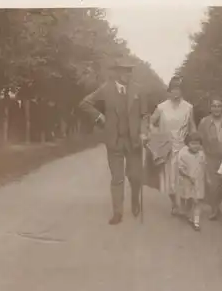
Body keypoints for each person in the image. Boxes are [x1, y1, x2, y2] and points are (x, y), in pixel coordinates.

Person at [78, 58, 149, 225]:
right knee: (117, 178)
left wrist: (144, 132)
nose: (127, 74)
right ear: (116, 72)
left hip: (134, 141)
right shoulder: (106, 89)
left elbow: (145, 115)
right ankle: (117, 212)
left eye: (130, 70)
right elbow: (85, 103)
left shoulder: (139, 90)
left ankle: (135, 200)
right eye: (124, 70)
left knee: (135, 176)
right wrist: (99, 117)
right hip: (114, 140)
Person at [149, 76, 196, 216]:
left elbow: (192, 125)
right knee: (169, 179)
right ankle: (174, 205)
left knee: (183, 177)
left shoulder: (188, 107)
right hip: (166, 148)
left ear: (182, 91)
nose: (176, 92)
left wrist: (195, 140)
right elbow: (151, 122)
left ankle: (183, 204)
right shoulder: (162, 107)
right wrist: (156, 135)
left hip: (182, 146)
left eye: (179, 89)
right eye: (173, 89)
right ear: (169, 91)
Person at [178, 132, 206, 231]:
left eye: (198, 143)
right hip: (187, 180)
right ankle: (187, 213)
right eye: (192, 143)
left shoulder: (201, 154)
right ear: (188, 144)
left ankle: (196, 222)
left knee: (197, 200)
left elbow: (203, 166)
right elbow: (181, 169)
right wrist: (188, 176)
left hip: (198, 181)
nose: (195, 146)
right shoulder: (183, 154)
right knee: (188, 198)